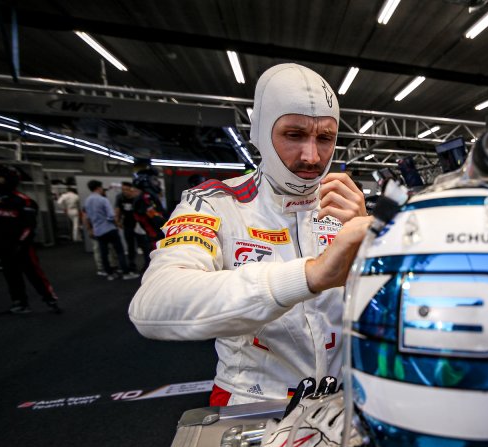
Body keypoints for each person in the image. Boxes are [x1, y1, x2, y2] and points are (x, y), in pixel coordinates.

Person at [129, 63, 371, 406]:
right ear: (260, 132)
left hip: (343, 401)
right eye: (294, 135)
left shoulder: (349, 205)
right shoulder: (214, 203)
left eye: (325, 138)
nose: (312, 156)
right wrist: (308, 276)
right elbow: (153, 304)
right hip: (251, 401)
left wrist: (376, 253)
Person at [0, 164, 61, 314]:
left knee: (33, 273)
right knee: (11, 275)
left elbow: (29, 226)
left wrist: (21, 242)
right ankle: (19, 302)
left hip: (22, 246)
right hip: (4, 246)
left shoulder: (24, 201)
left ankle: (50, 298)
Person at [84, 180, 139, 281]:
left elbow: (87, 216)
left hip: (98, 230)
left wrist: (90, 228)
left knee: (104, 253)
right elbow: (110, 215)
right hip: (109, 229)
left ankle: (109, 273)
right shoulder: (103, 200)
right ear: (98, 187)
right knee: (120, 251)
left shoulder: (87, 201)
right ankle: (125, 272)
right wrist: (117, 223)